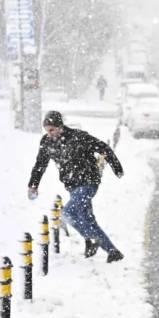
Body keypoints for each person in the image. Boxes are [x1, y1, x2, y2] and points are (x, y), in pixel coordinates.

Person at [27, 110, 125, 262]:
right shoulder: (46, 142)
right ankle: (113, 252)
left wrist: (116, 167)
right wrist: (33, 185)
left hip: (88, 182)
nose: (49, 133)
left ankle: (91, 239)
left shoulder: (79, 137)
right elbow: (40, 165)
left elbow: (103, 148)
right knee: (88, 219)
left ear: (60, 126)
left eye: (52, 130)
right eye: (46, 130)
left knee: (67, 213)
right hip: (72, 185)